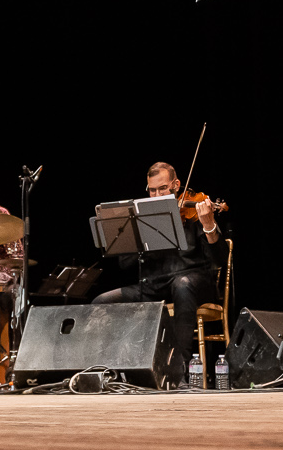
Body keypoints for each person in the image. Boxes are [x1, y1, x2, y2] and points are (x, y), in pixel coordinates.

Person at [91, 162, 227, 385]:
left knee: (182, 284)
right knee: (101, 301)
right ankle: (111, 373)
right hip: (154, 285)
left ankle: (179, 375)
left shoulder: (194, 212)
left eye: (162, 188)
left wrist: (209, 225)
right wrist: (142, 238)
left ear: (176, 185)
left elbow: (219, 259)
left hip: (194, 282)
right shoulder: (142, 216)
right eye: (152, 190)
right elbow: (125, 263)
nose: (156, 195)